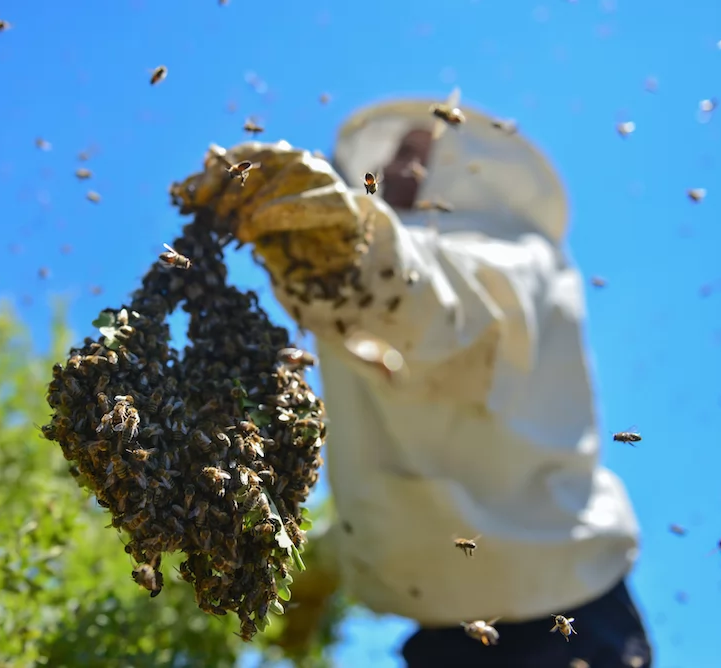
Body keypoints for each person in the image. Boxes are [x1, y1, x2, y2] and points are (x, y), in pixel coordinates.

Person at [171, 88, 652, 668]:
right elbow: (402, 482)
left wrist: (349, 249)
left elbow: (446, 298)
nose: (402, 168)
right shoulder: (361, 320)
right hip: (443, 637)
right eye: (396, 154)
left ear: (468, 172)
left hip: (567, 617)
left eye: (422, 152)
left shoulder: (516, 259)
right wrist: (316, 572)